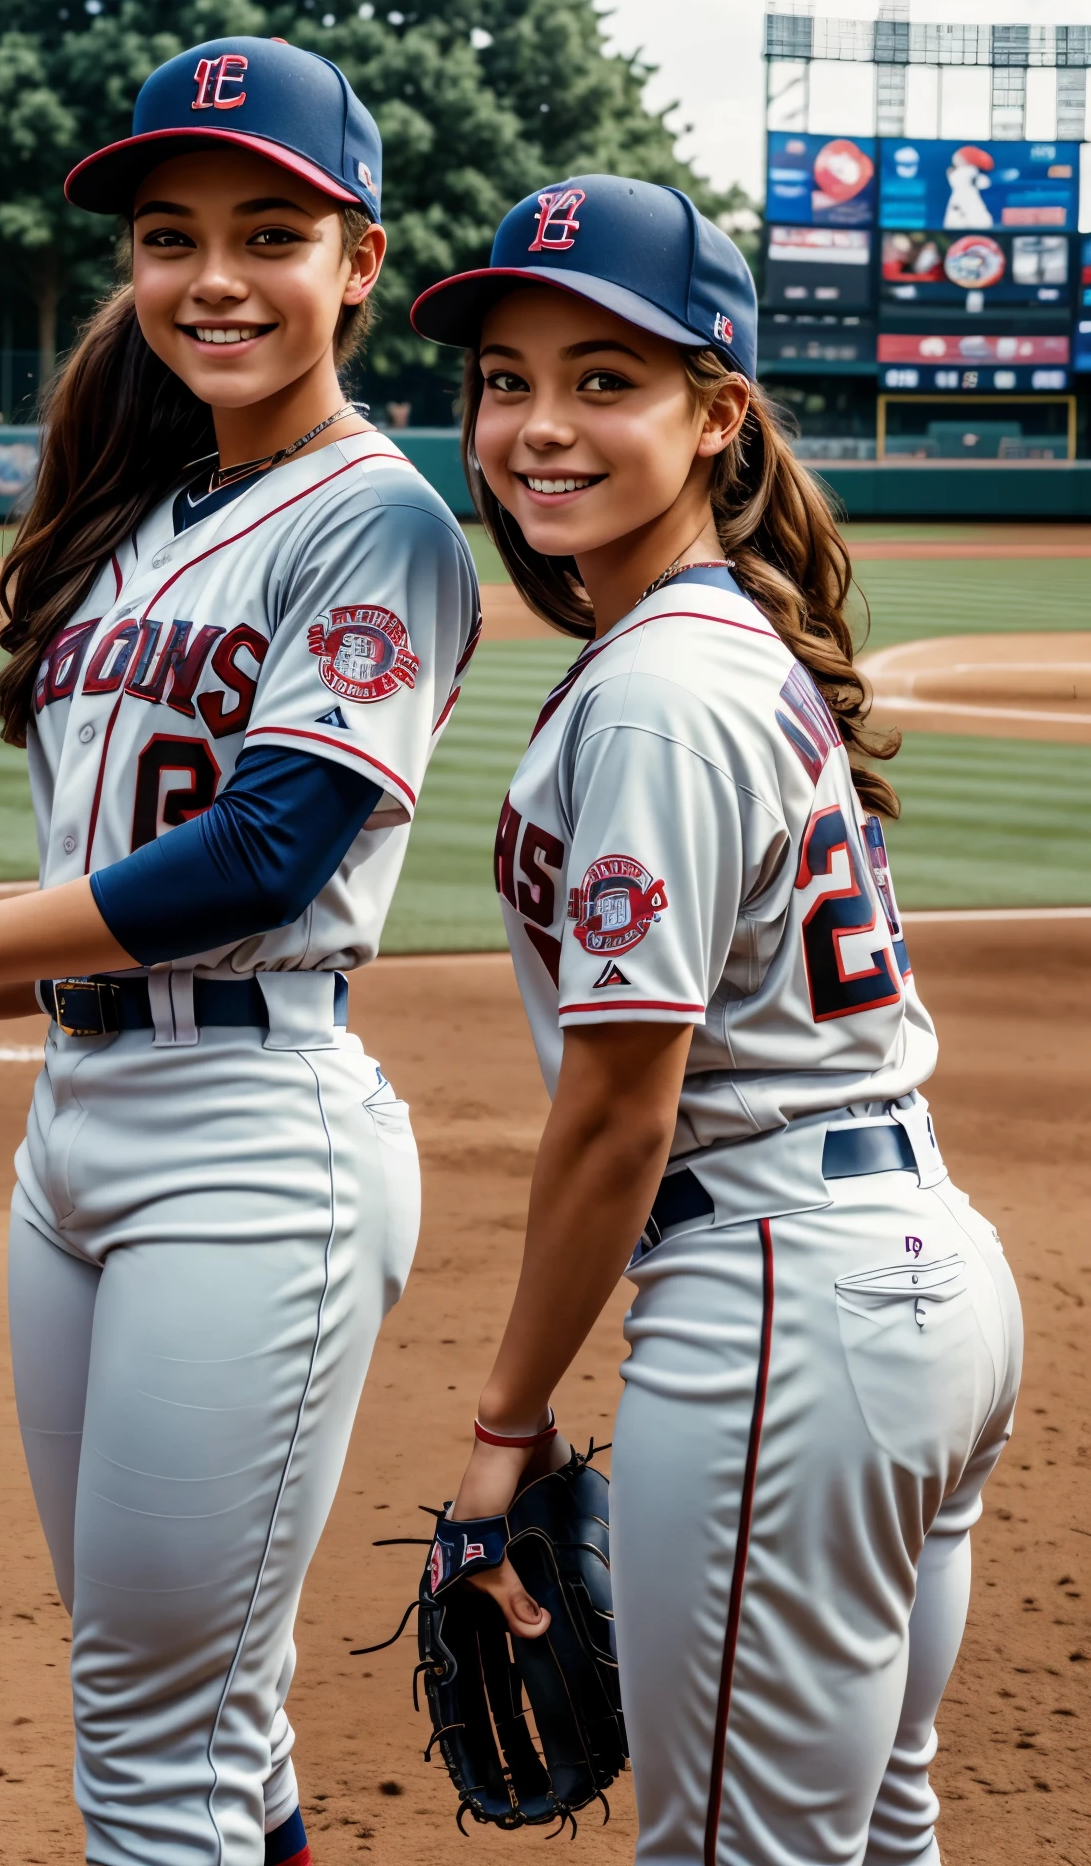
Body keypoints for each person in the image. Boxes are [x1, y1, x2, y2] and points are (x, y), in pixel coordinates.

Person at [0, 37, 482, 1866]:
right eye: (168, 234)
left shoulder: (381, 521)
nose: (213, 276)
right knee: (193, 1694)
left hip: (253, 1136)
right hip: (79, 1129)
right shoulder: (144, 519)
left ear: (357, 263)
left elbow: (263, 853)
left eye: (269, 231)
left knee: (156, 1732)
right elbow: (106, 876)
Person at [409, 175, 1022, 1865]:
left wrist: (503, 1432)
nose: (538, 425)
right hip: (917, 1284)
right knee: (871, 1830)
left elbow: (617, 1114)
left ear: (718, 411)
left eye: (607, 381)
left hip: (784, 1309)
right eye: (507, 379)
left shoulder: (663, 693)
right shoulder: (729, 644)